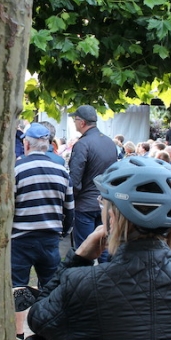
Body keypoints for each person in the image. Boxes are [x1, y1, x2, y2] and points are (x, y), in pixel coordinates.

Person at [27, 156, 171, 340]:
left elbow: (39, 320)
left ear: (113, 217)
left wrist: (78, 258)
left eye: (103, 204)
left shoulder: (81, 284)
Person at [13, 123, 75, 340]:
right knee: (50, 289)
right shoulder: (61, 170)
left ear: (26, 144)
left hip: (20, 240)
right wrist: (62, 232)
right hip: (49, 239)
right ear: (48, 145)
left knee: (18, 290)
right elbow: (69, 209)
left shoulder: (17, 168)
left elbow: (8, 206)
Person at [68, 105, 118, 257]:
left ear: (82, 122)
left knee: (84, 251)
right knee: (104, 248)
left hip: (85, 205)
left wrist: (70, 201)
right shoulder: (110, 142)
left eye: (75, 119)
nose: (74, 123)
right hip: (105, 202)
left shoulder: (82, 144)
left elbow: (75, 179)